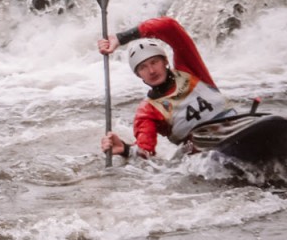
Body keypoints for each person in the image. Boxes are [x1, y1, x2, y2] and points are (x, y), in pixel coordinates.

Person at [99, 15, 239, 161]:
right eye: (143, 67)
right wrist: (125, 149)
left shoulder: (190, 69)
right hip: (203, 155)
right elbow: (145, 153)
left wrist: (121, 38)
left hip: (234, 128)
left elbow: (168, 26)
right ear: (138, 75)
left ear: (165, 61)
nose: (151, 71)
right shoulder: (148, 111)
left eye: (154, 62)